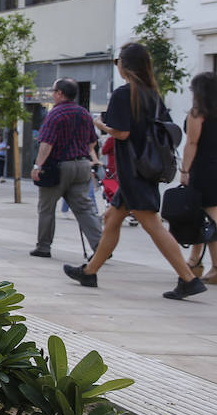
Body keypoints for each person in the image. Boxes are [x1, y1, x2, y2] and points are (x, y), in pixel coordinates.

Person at [64, 43, 205, 300]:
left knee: (153, 226)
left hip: (133, 171)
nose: (116, 65)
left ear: (125, 65)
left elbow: (122, 132)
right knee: (112, 221)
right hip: (146, 169)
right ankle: (90, 271)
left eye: (118, 61)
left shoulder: (124, 94)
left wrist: (99, 124)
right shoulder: (152, 95)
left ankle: (188, 278)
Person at [29, 79, 104, 258]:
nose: (53, 94)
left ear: (60, 93)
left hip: (58, 166)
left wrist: (37, 166)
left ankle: (44, 246)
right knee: (84, 208)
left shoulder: (55, 114)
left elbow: (46, 143)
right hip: (83, 165)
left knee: (46, 207)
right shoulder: (84, 113)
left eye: (54, 91)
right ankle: (101, 247)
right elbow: (93, 141)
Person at [181, 71, 217, 285]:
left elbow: (192, 143)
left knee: (211, 218)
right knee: (203, 216)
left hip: (204, 168)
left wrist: (185, 171)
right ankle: (195, 262)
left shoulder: (197, 113)